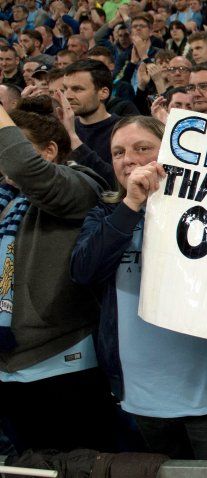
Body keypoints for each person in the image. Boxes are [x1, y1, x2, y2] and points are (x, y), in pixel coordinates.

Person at [70, 116, 207, 459]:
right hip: (140, 399)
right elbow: (85, 272)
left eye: (142, 148)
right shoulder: (105, 214)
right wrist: (130, 206)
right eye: (117, 152)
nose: (128, 159)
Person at [0, 99, 117, 454]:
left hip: (63, 360)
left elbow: (25, 167)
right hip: (9, 365)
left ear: (49, 151)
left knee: (77, 464)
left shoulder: (81, 186)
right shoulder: (7, 200)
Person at [64, 59, 122, 184]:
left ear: (103, 93)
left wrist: (74, 141)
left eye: (77, 89)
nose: (68, 96)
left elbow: (119, 182)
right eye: (65, 89)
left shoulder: (123, 131)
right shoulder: (64, 129)